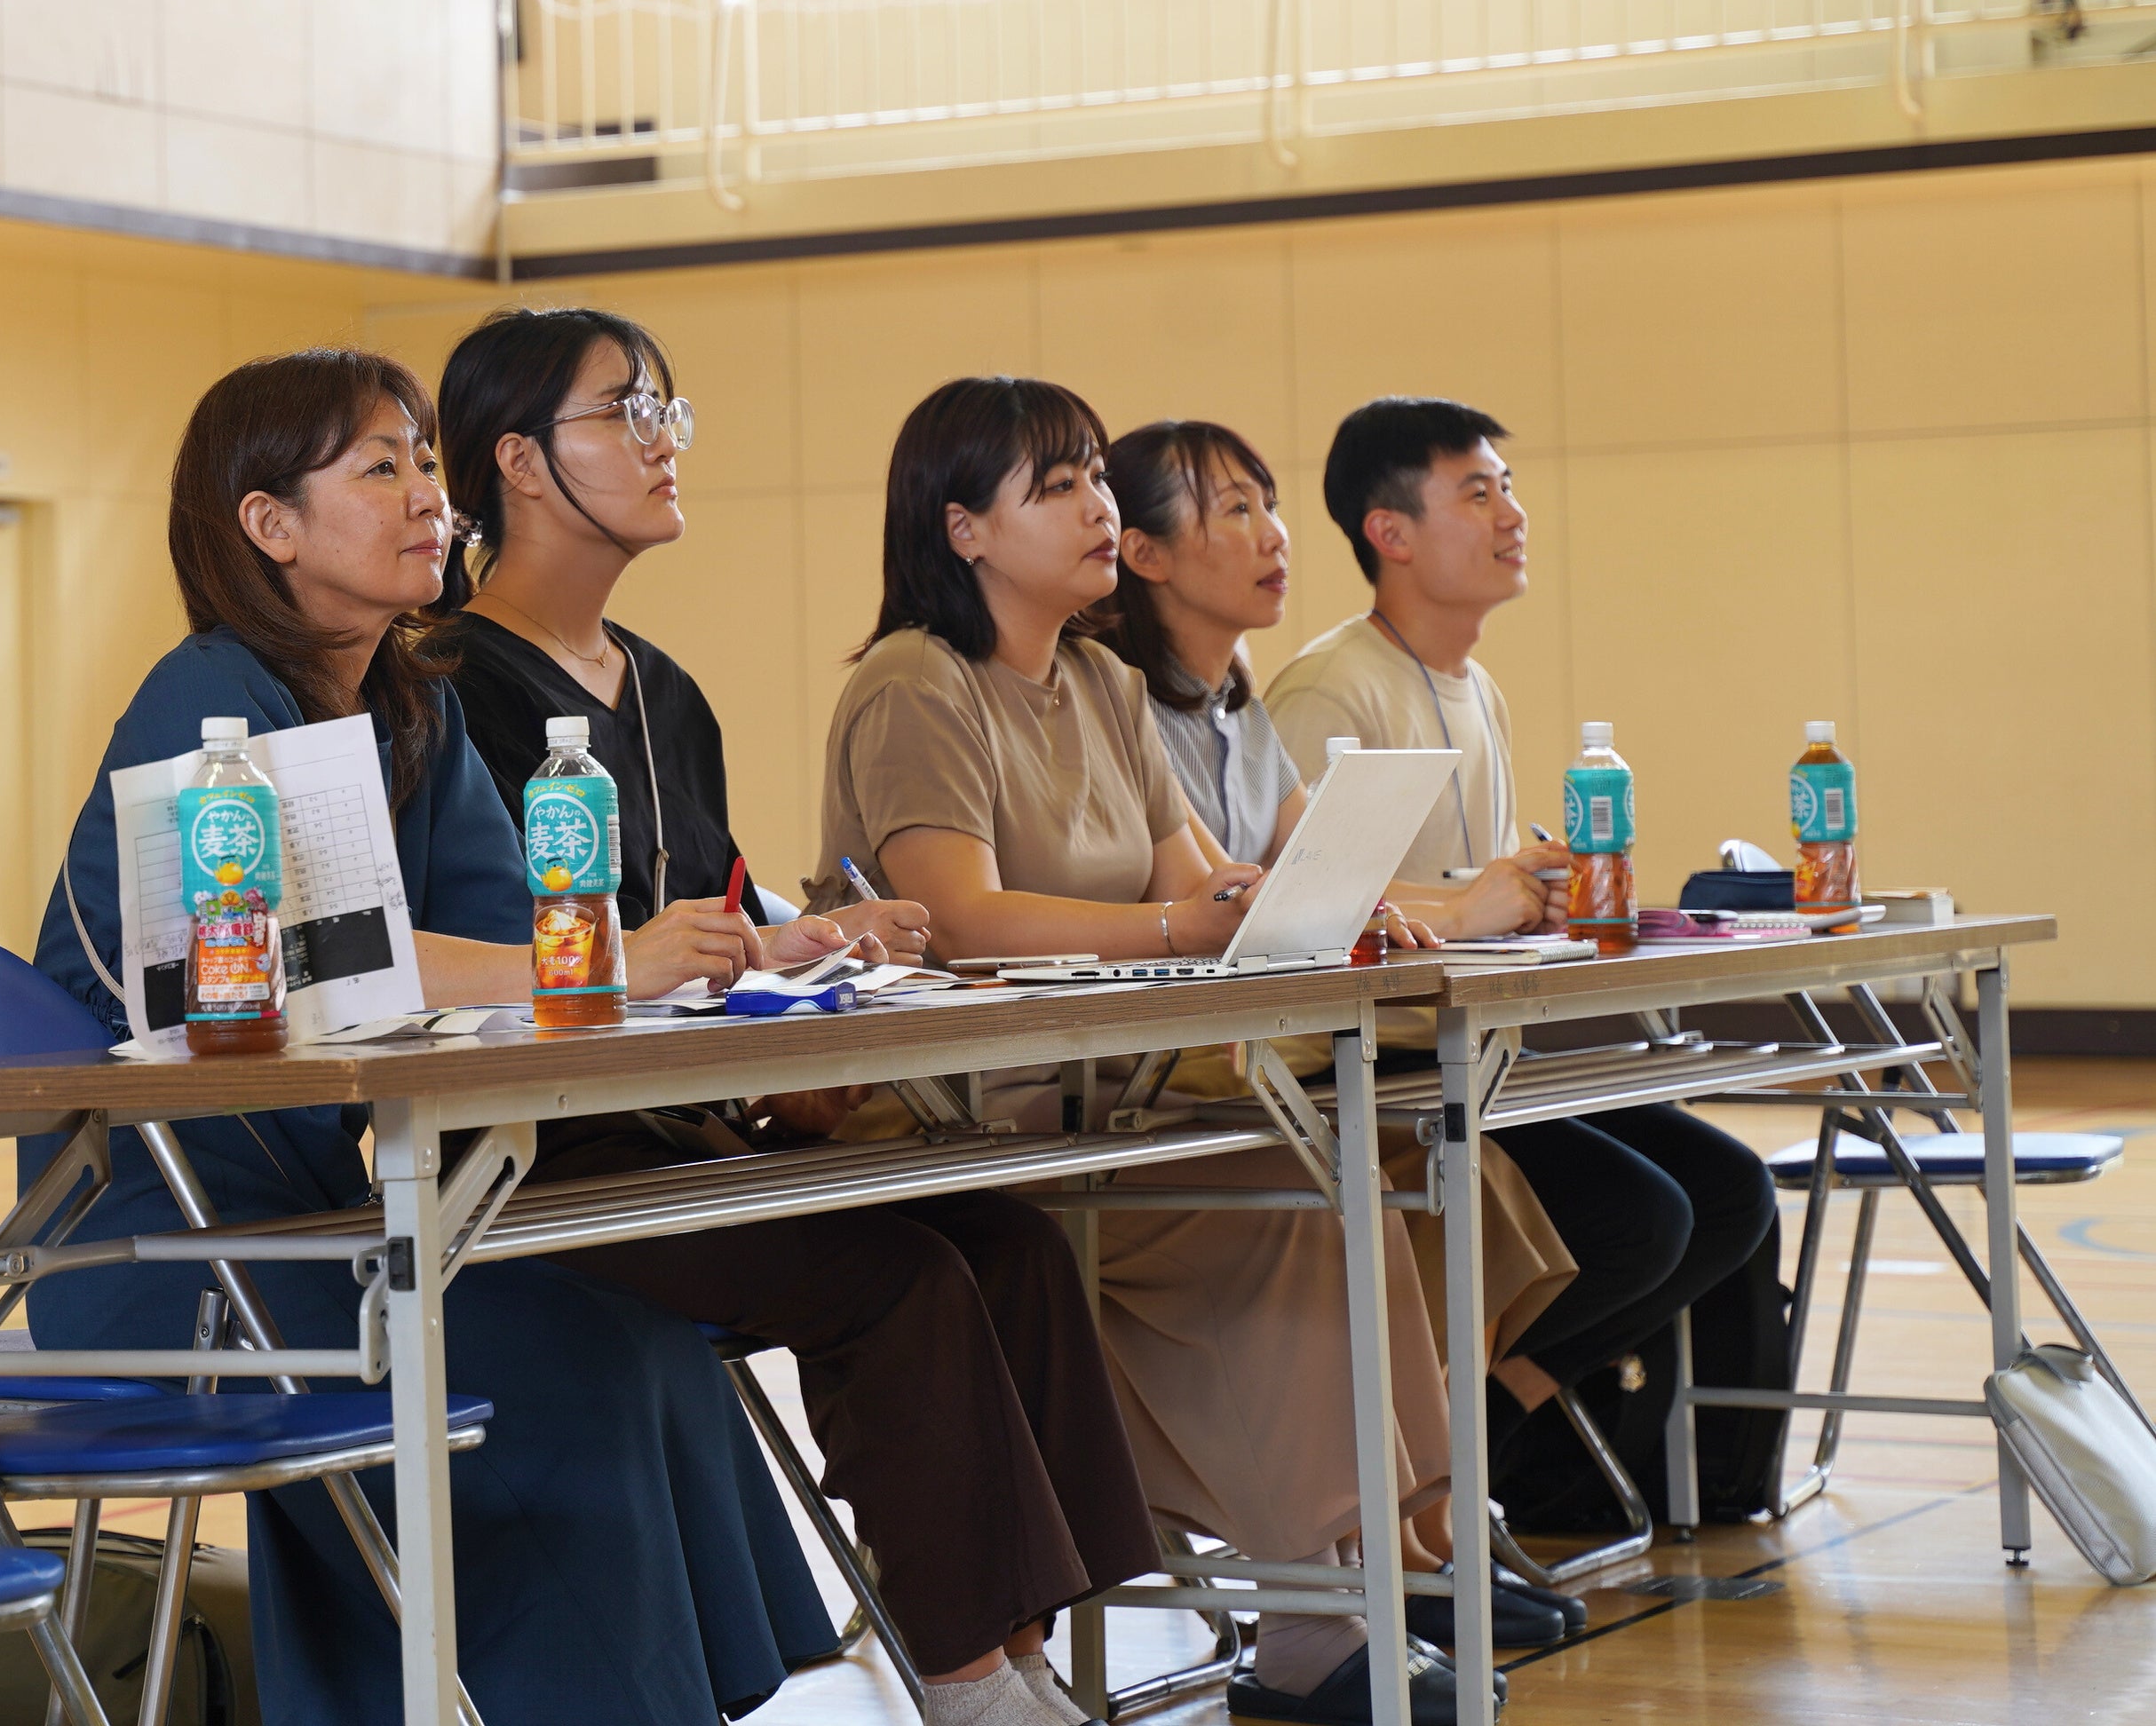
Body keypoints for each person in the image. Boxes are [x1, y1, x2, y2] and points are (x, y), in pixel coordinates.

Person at [27, 348, 837, 1726]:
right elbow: (308, 972)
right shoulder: (205, 699)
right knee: (553, 1375)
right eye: (380, 468)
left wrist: (712, 959)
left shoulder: (414, 702)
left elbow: (506, 951)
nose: (428, 497)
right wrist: (608, 966)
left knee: (632, 1340)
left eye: (424, 463)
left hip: (333, 1215)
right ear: (268, 526)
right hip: (163, 1241)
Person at [434, 308, 1159, 1726]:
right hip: (542, 1160)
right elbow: (487, 958)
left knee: (1003, 1239)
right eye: (621, 415)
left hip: (692, 1122)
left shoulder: (666, 691)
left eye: (667, 411)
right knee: (895, 1279)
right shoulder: (443, 689)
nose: (662, 441)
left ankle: (1019, 1649)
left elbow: (709, 917)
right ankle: (958, 1680)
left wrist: (808, 952)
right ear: (520, 462)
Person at [805, 376, 1490, 1725]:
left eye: (1095, 480)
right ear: (962, 531)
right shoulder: (912, 685)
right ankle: (1306, 1603)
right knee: (1282, 1217)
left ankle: (1352, 1570)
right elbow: (958, 912)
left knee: (1328, 1186)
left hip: (1097, 1099)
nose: (1095, 508)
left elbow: (1205, 884)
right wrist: (1180, 916)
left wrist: (1320, 913)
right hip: (952, 1118)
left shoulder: (1106, 684)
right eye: (1054, 487)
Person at [1098, 417, 1587, 1639]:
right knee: (1359, 1184)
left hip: (1256, 1068)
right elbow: (1243, 905)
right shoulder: (1122, 708)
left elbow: (1331, 880)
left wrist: (1479, 904)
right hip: (1159, 1092)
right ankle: (1352, 1566)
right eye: (1234, 513)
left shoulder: (1237, 703)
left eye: (1270, 506)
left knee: (1454, 1176)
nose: (1274, 538)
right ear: (1146, 554)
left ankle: (1422, 1522)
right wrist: (1474, 905)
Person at [1261, 398, 1779, 1484]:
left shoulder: (1476, 685)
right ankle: (1448, 1465)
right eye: (1478, 490)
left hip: (1483, 1054)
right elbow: (1305, 897)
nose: (1513, 511)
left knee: (1731, 1193)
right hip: (1380, 1073)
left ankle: (1497, 1424)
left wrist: (1533, 891)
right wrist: (1475, 897)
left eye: (1509, 485)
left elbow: (1470, 888)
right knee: (1645, 1215)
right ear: (1389, 531)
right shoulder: (1330, 687)